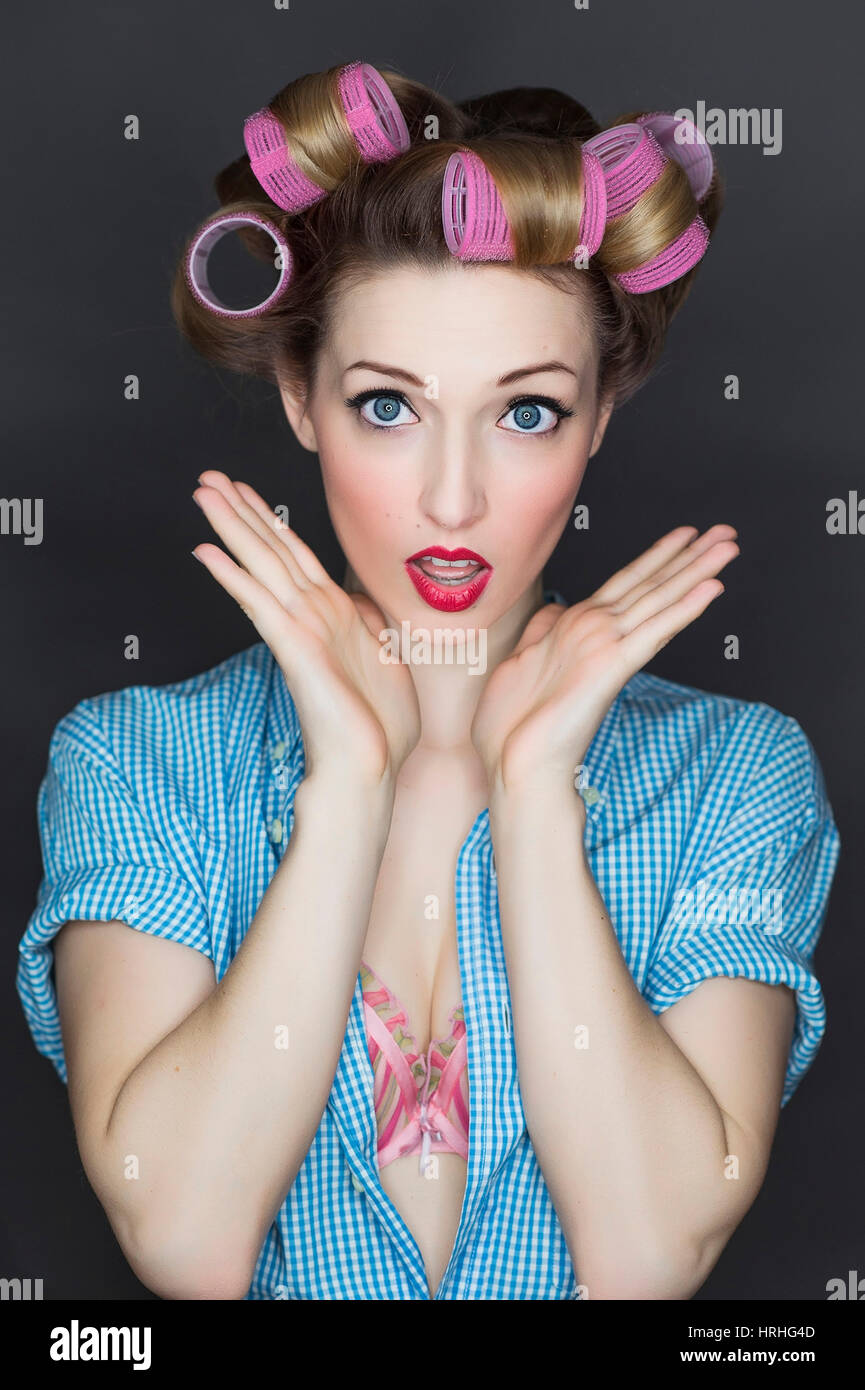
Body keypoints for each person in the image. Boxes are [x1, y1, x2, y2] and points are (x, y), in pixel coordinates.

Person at [17, 61, 840, 1301]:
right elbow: (185, 1246)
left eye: (525, 415)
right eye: (388, 405)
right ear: (300, 397)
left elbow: (648, 1260)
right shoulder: (138, 761)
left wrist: (535, 794)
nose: (451, 500)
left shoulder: (735, 773)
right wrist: (345, 789)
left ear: (601, 413)